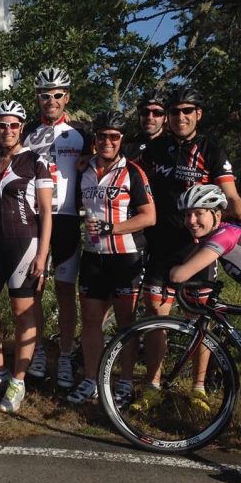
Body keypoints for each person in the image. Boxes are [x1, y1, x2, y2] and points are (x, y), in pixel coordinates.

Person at [67, 110, 155, 406]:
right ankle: (91, 380)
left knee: (126, 325)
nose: (107, 141)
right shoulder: (85, 168)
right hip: (93, 256)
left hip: (125, 256)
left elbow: (149, 217)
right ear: (95, 139)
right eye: (102, 136)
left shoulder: (133, 171)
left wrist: (112, 228)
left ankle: (126, 383)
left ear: (121, 140)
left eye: (114, 137)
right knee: (91, 322)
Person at [0, 100, 52, 413]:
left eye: (14, 125)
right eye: (2, 125)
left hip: (24, 244)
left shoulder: (34, 160)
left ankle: (18, 381)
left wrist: (43, 254)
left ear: (22, 127)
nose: (7, 130)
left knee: (23, 316)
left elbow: (46, 212)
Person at [139, 85, 241, 317]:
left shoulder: (212, 150)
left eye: (187, 110)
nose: (181, 117)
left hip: (199, 246)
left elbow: (231, 196)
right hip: (161, 243)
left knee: (198, 318)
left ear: (199, 114)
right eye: (175, 112)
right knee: (155, 315)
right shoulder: (154, 150)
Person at [23, 67, 91, 387]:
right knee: (33, 288)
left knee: (65, 290)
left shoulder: (81, 134)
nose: (51, 100)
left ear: (68, 97)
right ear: (37, 98)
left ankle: (64, 355)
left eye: (57, 94)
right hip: (34, 219)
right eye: (45, 95)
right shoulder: (27, 134)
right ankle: (37, 351)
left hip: (66, 219)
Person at [167, 185, 240, 409]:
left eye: (199, 213)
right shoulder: (219, 233)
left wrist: (170, 272)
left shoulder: (225, 235)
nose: (192, 220)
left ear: (216, 215)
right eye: (188, 214)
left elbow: (180, 274)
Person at [122, 88, 167, 160]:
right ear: (139, 116)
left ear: (165, 118)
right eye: (145, 112)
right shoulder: (128, 146)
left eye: (157, 113)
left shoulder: (175, 145)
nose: (150, 117)